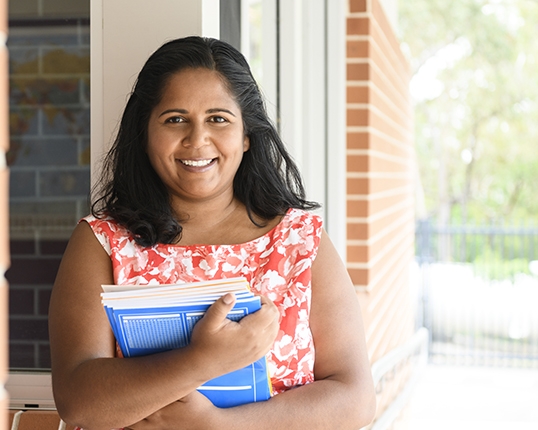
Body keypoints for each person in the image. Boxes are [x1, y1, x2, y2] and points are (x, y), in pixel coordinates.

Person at [49, 36, 376, 430]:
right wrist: (202, 360)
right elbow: (78, 403)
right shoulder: (102, 242)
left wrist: (218, 425)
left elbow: (355, 399)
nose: (197, 139)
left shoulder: (299, 241)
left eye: (218, 118)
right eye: (175, 119)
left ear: (246, 135)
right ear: (146, 133)